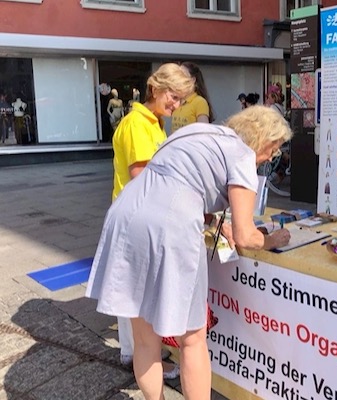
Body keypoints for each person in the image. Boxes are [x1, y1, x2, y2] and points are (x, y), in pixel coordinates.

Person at [86, 105, 292, 400]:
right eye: (274, 148)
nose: (272, 156)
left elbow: (179, 181)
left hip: (127, 214)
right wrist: (271, 240)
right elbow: (247, 235)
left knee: (145, 341)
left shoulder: (197, 133)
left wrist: (214, 223)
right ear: (264, 139)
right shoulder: (242, 155)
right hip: (171, 226)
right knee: (193, 339)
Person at [111, 62, 194, 380]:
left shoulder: (154, 122)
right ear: (155, 88)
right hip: (138, 220)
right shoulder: (138, 123)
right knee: (140, 301)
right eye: (173, 96)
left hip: (139, 217)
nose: (176, 105)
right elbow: (141, 178)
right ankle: (143, 357)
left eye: (181, 100)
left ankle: (138, 352)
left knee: (134, 297)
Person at [171, 62, 215, 133]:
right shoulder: (176, 102)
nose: (179, 79)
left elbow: (203, 132)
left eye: (183, 75)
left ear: (193, 80)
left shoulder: (199, 102)